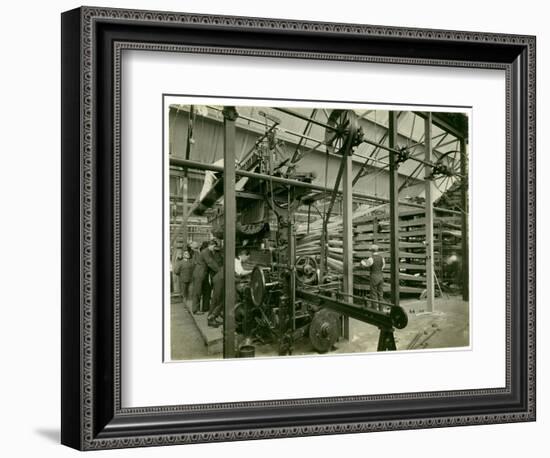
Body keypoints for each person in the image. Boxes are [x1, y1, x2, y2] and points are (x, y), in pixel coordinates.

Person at [207, 248, 252, 327]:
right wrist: (253, 271)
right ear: (244, 255)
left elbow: (235, 274)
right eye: (247, 257)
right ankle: (210, 319)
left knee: (221, 299)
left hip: (222, 279)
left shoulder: (236, 260)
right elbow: (241, 273)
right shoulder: (236, 261)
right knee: (217, 300)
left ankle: (213, 316)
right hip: (220, 280)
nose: (247, 260)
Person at [190, 239, 221, 314]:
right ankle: (195, 309)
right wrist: (220, 271)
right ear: (210, 245)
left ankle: (205, 307)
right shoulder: (205, 252)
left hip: (204, 273)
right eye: (214, 246)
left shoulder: (209, 252)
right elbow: (210, 263)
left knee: (207, 290)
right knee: (197, 291)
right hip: (199, 273)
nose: (214, 248)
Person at [360, 244, 385, 311]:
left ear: (371, 251)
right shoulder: (382, 258)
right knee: (380, 294)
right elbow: (382, 267)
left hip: (374, 277)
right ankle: (381, 310)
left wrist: (362, 262)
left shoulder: (371, 258)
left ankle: (374, 310)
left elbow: (366, 266)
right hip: (381, 276)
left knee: (373, 294)